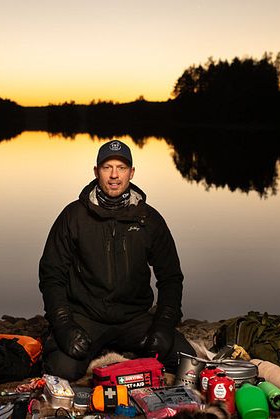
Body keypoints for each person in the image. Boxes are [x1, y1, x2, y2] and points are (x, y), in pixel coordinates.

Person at [39, 139, 196, 381]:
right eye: (107, 167)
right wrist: (63, 325)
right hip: (86, 316)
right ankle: (95, 348)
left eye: (121, 168)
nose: (114, 175)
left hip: (134, 318)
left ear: (131, 173)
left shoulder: (149, 218)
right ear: (96, 171)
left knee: (187, 361)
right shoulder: (73, 216)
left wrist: (164, 324)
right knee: (62, 370)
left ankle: (122, 349)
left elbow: (171, 277)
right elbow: (52, 275)